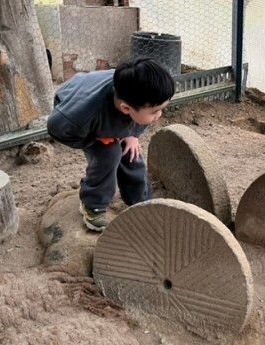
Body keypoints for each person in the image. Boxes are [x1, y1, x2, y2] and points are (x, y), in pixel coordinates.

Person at [47, 58, 174, 231]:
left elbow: (141, 119)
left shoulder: (138, 93)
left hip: (111, 104)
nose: (159, 115)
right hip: (74, 101)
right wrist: (95, 139)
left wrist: (132, 135)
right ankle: (93, 206)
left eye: (162, 108)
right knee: (109, 154)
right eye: (155, 111)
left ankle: (141, 201)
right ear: (126, 109)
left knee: (131, 152)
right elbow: (56, 129)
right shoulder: (78, 116)